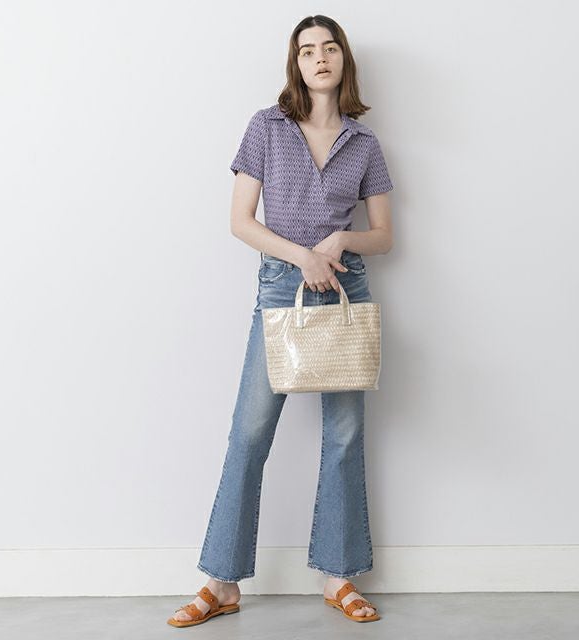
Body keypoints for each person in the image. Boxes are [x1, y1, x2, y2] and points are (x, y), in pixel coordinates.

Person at [167, 14, 394, 628]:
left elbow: (384, 236)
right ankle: (221, 581)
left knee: (344, 436)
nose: (319, 58)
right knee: (249, 434)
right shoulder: (266, 127)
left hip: (346, 292)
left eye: (329, 48)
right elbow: (241, 221)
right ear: (295, 63)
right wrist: (303, 256)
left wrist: (341, 239)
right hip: (280, 289)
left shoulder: (364, 143)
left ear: (343, 60)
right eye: (307, 50)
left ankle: (339, 576)